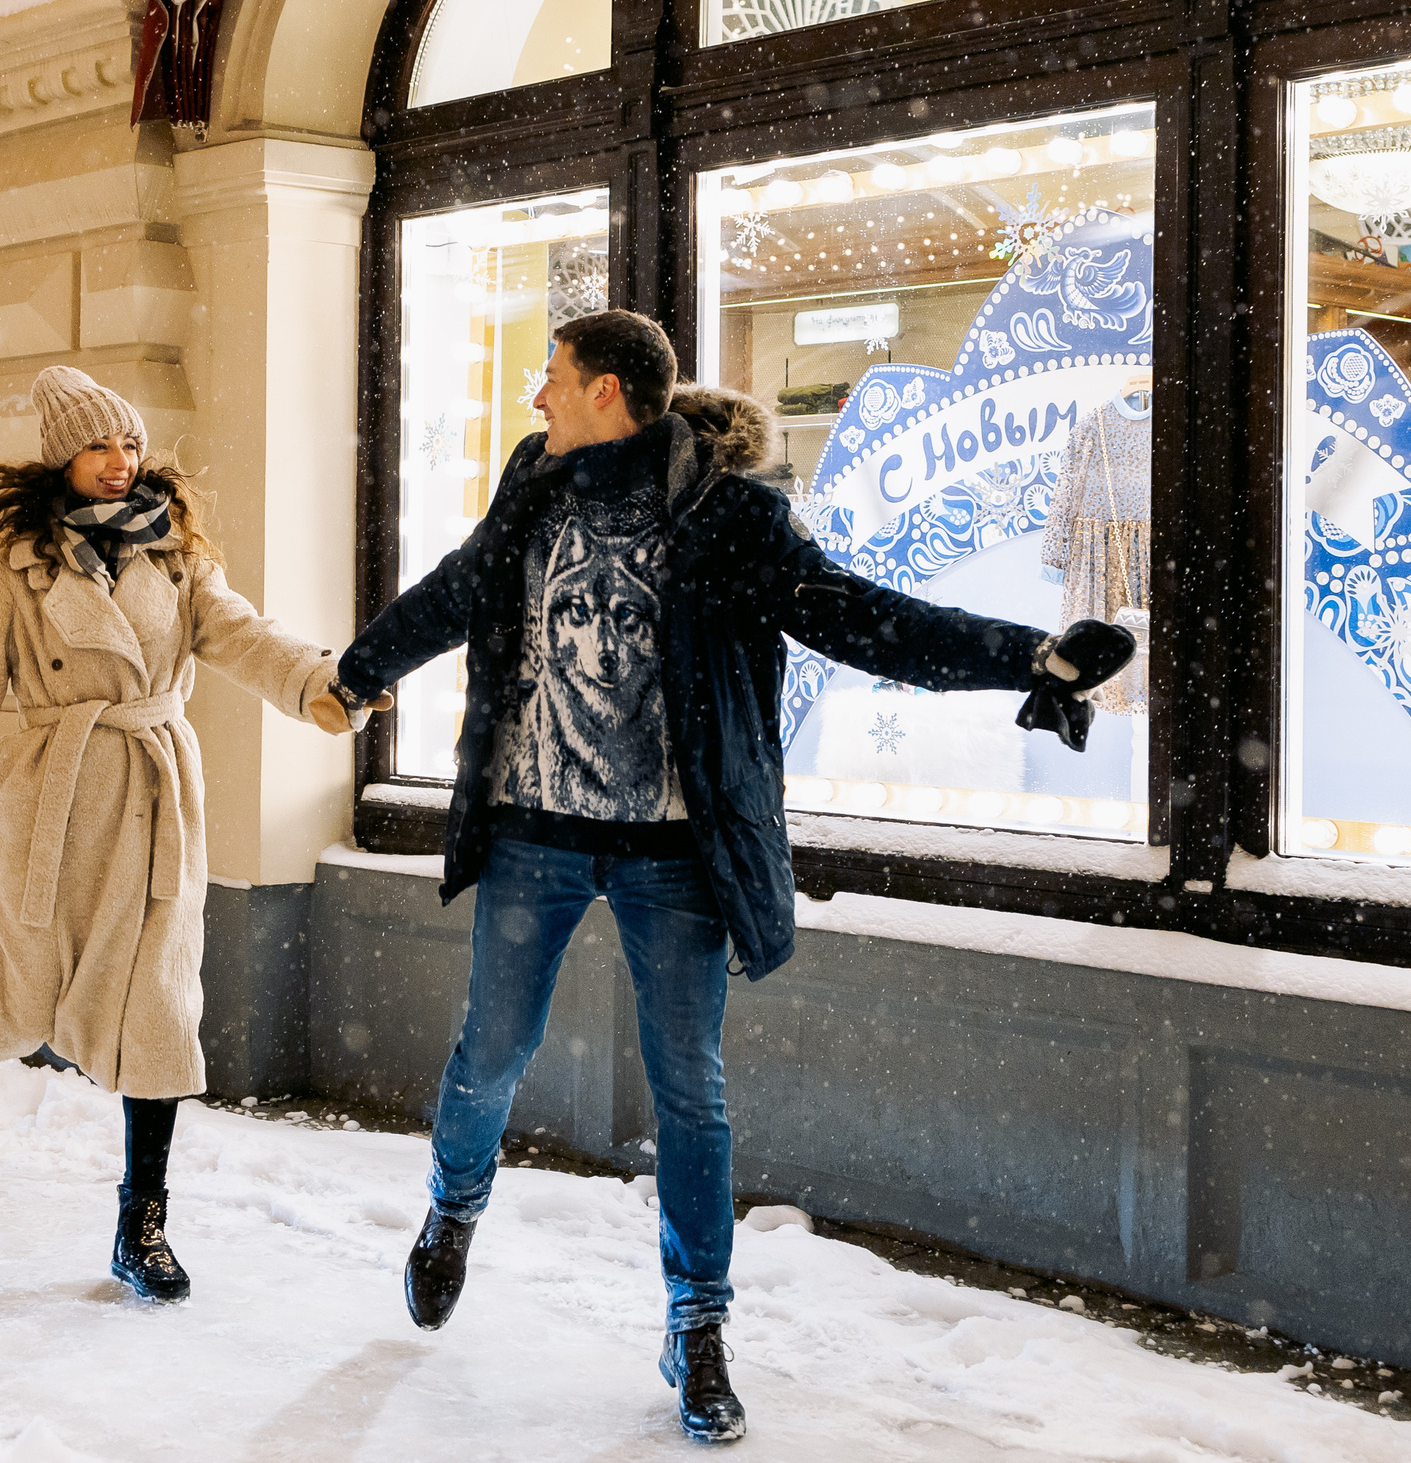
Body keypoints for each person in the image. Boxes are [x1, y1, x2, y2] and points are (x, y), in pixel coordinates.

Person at [327, 310, 1132, 1445]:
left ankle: (696, 1327)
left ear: (607, 391)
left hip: (674, 852)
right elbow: (458, 592)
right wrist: (359, 672)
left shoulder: (729, 519)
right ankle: (453, 1210)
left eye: (551, 379)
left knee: (688, 1092)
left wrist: (1026, 656)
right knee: (490, 1051)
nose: (537, 397)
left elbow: (862, 618)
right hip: (535, 835)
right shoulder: (532, 488)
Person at [0, 366, 365, 1305]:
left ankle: (143, 1226)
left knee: (160, 1013)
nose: (120, 462)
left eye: (128, 443)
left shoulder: (176, 556)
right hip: (47, 806)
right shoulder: (20, 570)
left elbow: (246, 636)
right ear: (62, 460)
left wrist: (316, 685)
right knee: (18, 1004)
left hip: (156, 807)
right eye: (98, 447)